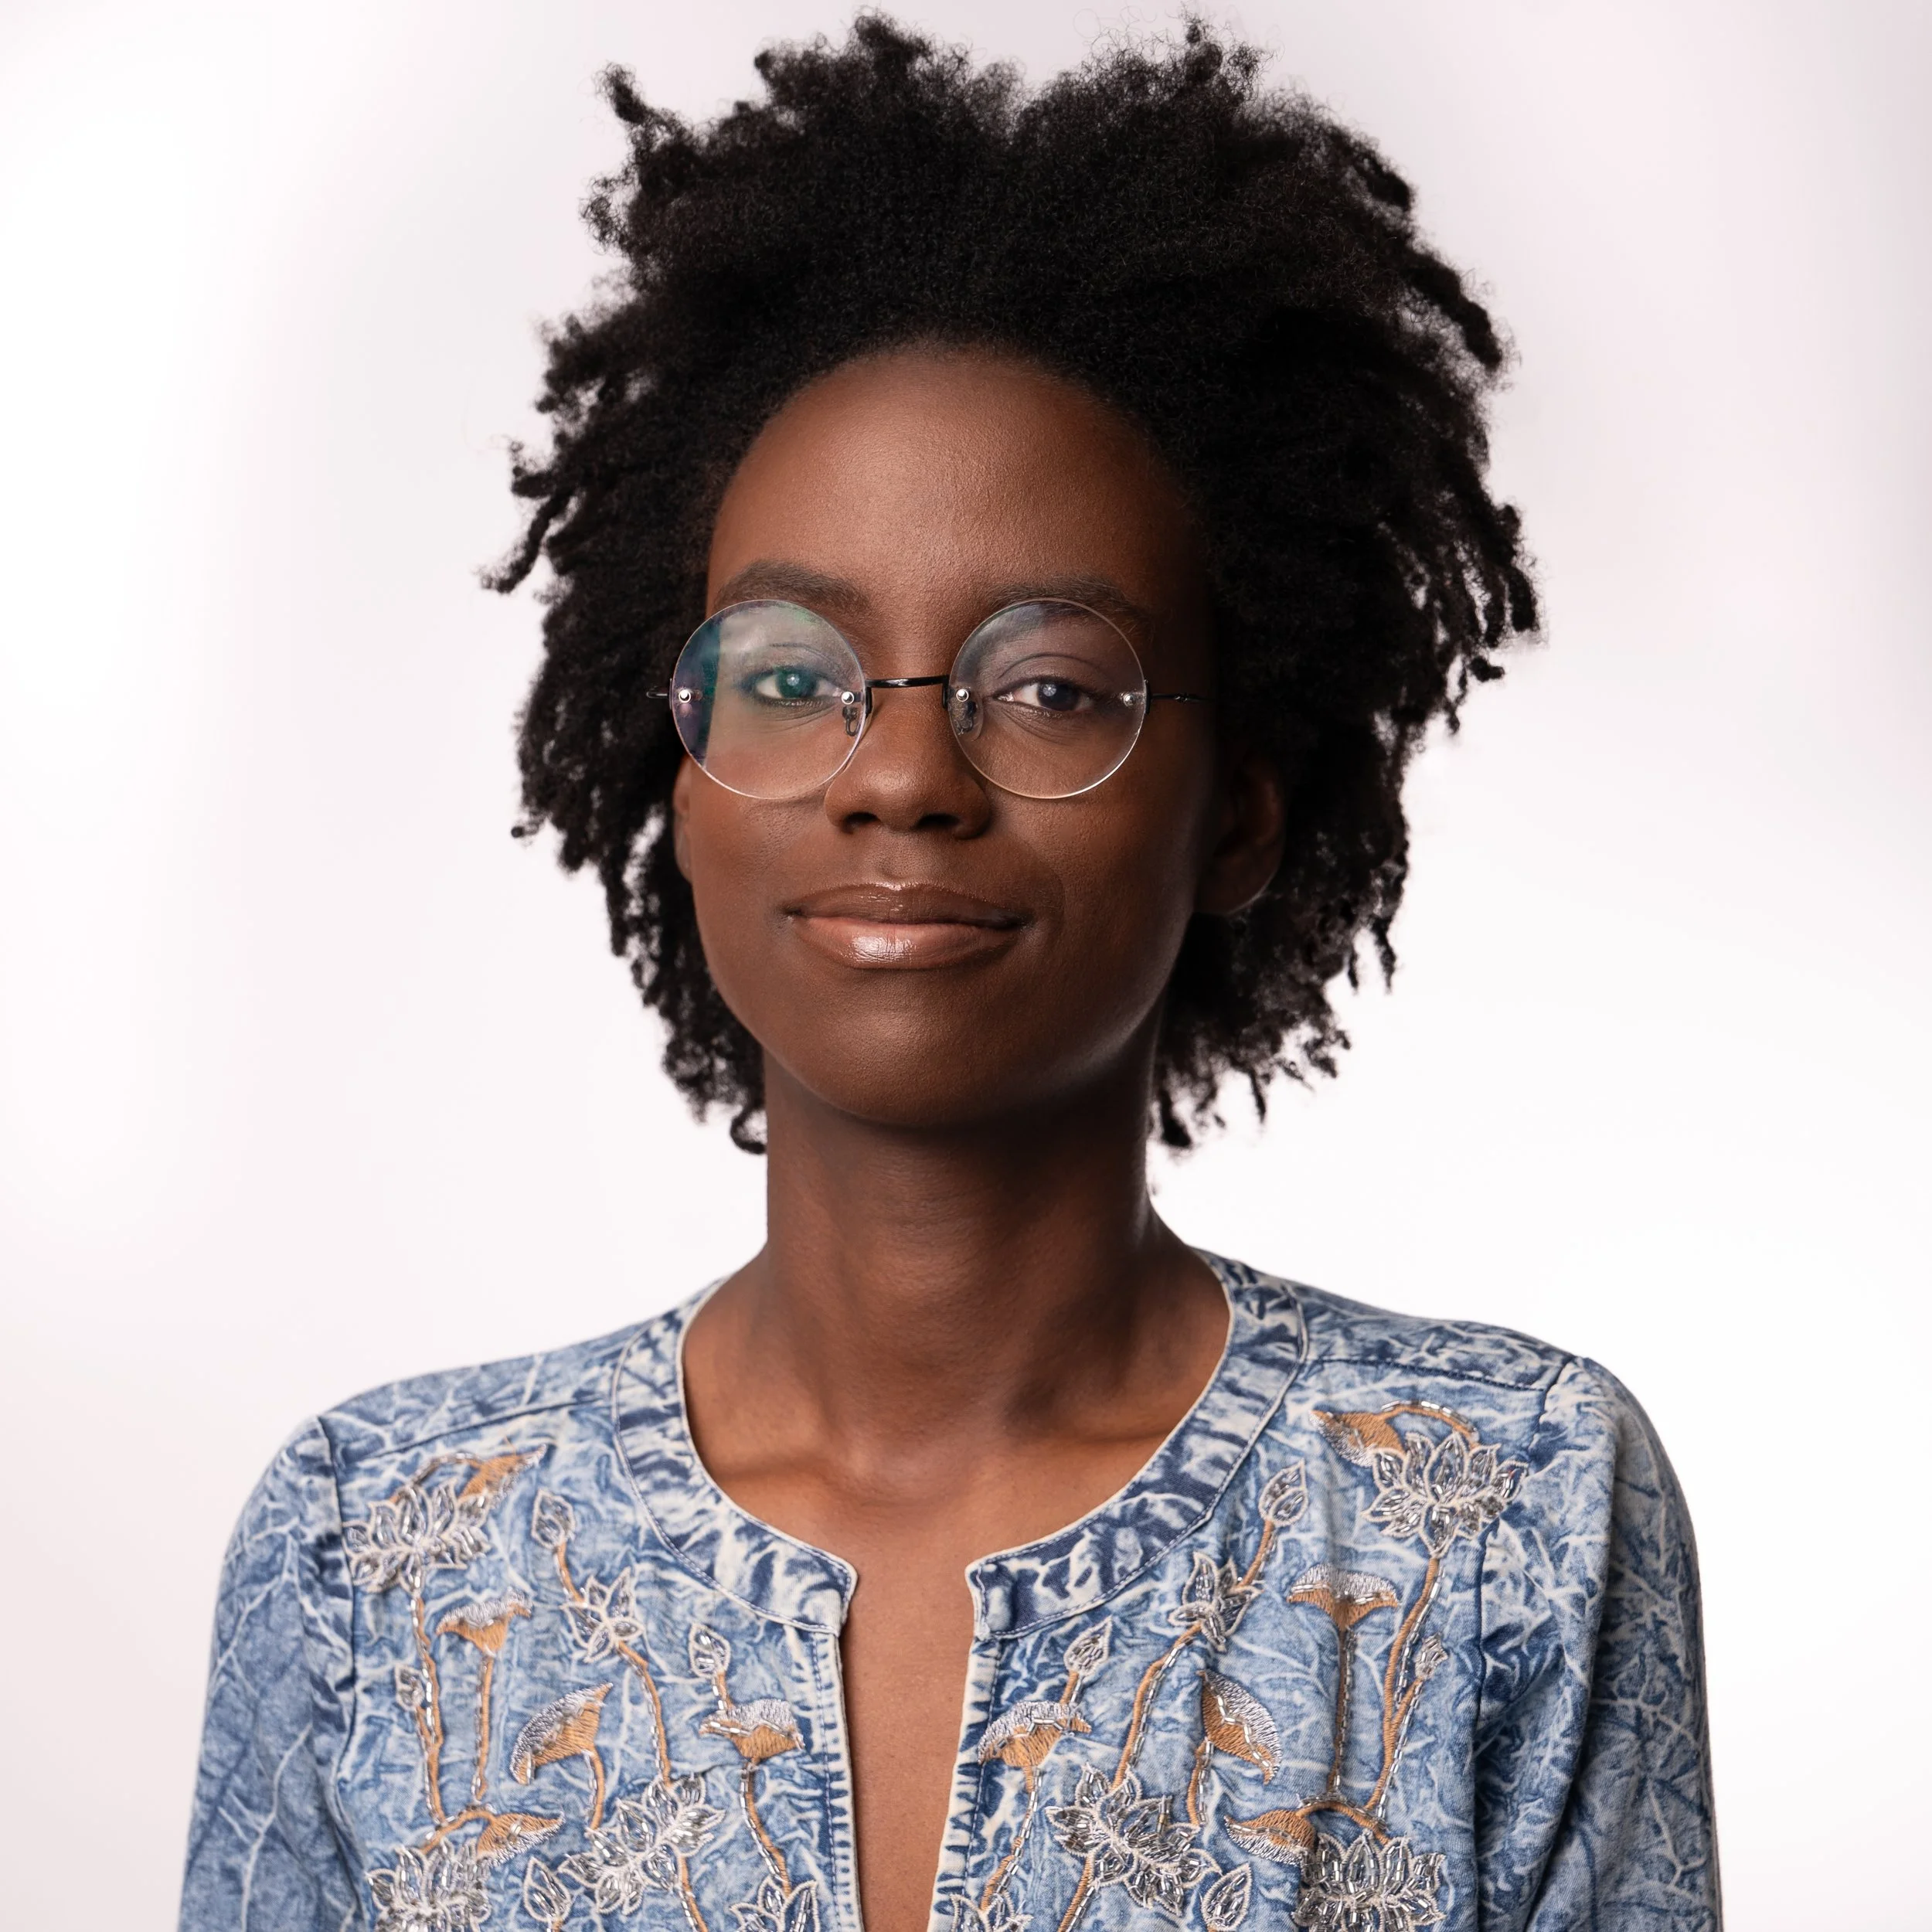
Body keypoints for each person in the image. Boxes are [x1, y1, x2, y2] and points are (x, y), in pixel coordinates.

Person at [179, 19, 1719, 1932]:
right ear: (680, 774)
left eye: (1051, 684)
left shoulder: (1503, 1518)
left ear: (1238, 810)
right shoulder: (378, 1547)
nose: (900, 771)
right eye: (792, 676)